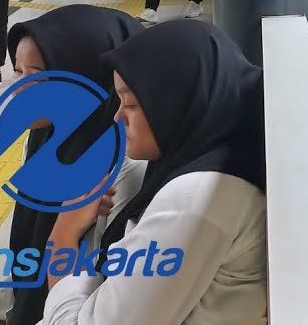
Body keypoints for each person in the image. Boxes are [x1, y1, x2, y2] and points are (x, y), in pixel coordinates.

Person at [39, 20, 267, 325]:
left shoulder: (194, 200)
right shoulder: (213, 151)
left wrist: (64, 233)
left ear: (175, 104)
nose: (118, 117)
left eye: (131, 103)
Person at [0, 5, 146, 325]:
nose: (17, 88)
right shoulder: (43, 140)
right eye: (17, 70)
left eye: (36, 75)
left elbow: (105, 297)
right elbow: (28, 237)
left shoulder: (123, 168)